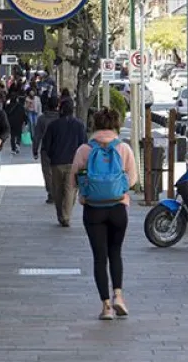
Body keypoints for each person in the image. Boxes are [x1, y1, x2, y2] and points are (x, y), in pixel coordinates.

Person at [69, 107, 138, 320]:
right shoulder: (123, 148)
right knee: (115, 252)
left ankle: (106, 307)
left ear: (95, 125)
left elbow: (73, 181)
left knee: (99, 258)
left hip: (93, 210)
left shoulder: (84, 150)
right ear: (116, 125)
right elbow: (133, 180)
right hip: (118, 209)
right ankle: (119, 296)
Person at [41, 98, 87, 227]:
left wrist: (52, 156)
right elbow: (84, 144)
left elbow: (46, 145)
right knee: (70, 189)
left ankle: (61, 214)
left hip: (57, 163)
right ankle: (66, 216)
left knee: (58, 190)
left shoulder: (54, 125)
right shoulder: (79, 125)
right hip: (74, 162)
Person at [32, 96, 61, 204]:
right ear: (57, 105)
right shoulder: (61, 118)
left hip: (46, 149)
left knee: (47, 172)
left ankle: (51, 193)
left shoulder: (42, 119)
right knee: (58, 171)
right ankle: (57, 192)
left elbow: (37, 135)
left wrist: (35, 150)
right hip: (59, 149)